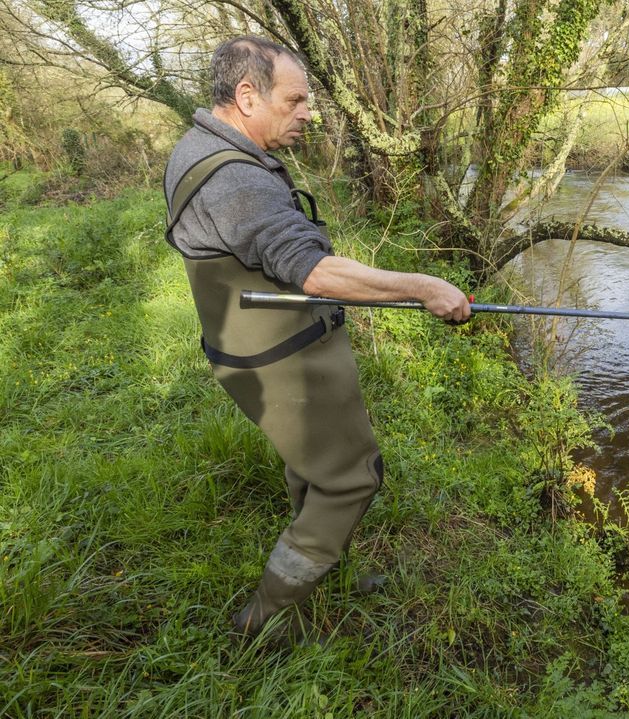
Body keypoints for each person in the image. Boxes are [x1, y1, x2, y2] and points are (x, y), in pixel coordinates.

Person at [163, 35, 471, 641]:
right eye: (297, 99)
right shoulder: (234, 180)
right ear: (247, 96)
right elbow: (312, 270)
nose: (309, 113)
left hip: (261, 350)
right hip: (279, 357)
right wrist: (423, 287)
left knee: (312, 469)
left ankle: (315, 568)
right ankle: (270, 620)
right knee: (350, 478)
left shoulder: (203, 148)